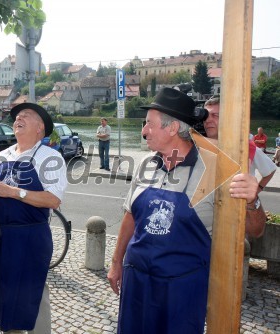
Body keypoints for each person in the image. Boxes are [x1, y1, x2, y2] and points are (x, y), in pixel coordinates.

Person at [106, 88, 266, 334]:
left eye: (149, 124)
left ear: (172, 129)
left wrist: (253, 200)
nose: (143, 130)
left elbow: (256, 230)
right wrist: (117, 262)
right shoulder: (145, 164)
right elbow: (130, 216)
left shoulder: (217, 169)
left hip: (182, 290)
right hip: (137, 281)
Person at [0, 103, 67, 333]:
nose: (18, 119)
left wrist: (14, 192)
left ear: (40, 127)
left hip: (31, 235)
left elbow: (53, 200)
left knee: (32, 292)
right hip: (2, 235)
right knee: (5, 292)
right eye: (16, 117)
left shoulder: (50, 157)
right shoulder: (2, 155)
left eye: (26, 115)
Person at [204, 97, 276, 194]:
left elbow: (270, 170)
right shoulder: (200, 145)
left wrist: (256, 192)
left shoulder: (245, 147)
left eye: (215, 115)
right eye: (205, 116)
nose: (208, 120)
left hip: (236, 206)